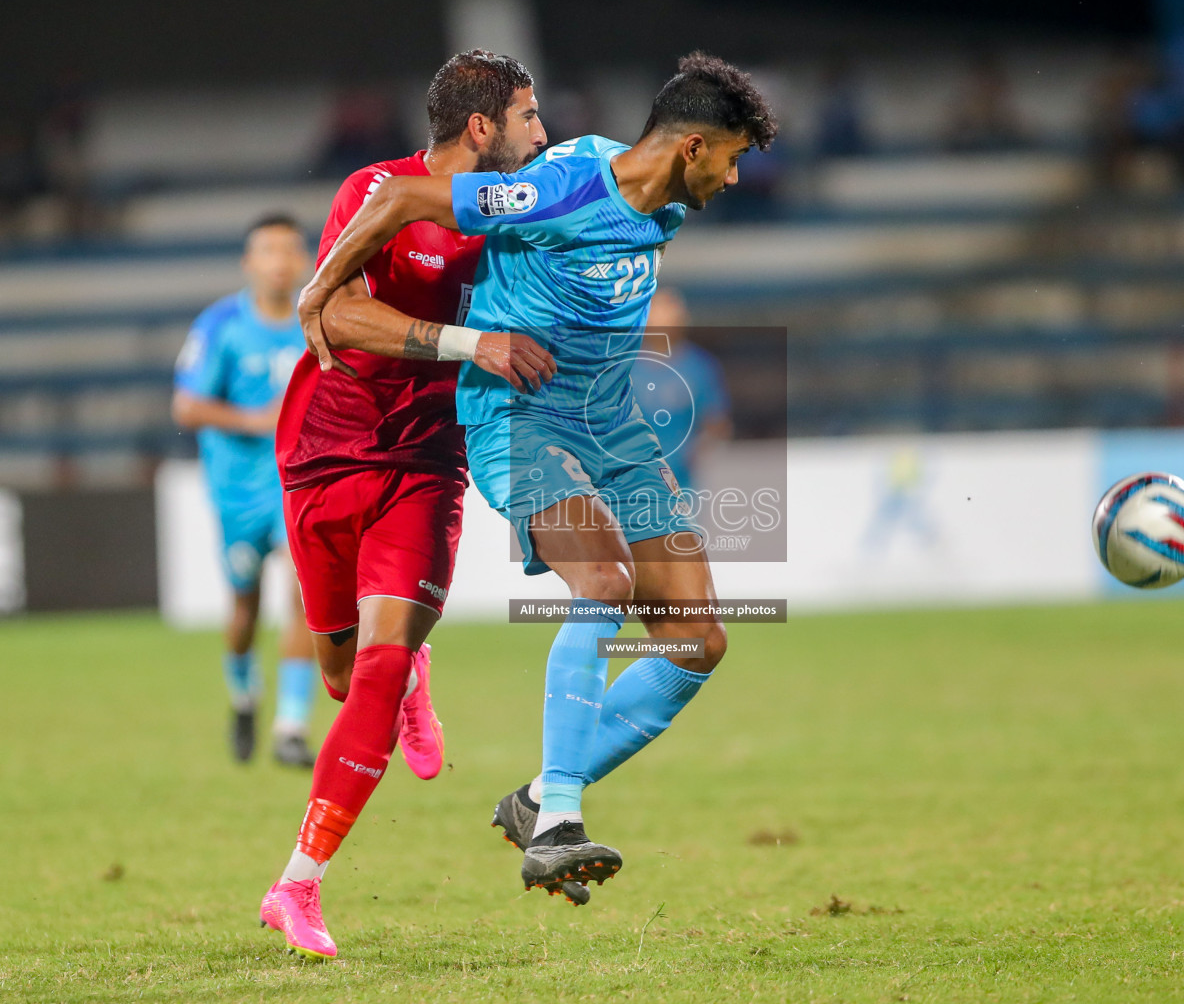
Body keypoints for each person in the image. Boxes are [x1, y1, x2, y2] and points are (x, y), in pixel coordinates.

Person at [298, 51, 777, 901]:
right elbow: (403, 197)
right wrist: (320, 292)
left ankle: (536, 801)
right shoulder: (560, 185)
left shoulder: (662, 208)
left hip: (613, 424)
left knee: (699, 639)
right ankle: (559, 819)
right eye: (735, 157)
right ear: (695, 146)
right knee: (602, 582)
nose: (737, 178)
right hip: (521, 417)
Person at [257, 50, 556, 961]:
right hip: (324, 449)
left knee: (376, 669)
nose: (541, 135)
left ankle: (297, 885)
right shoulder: (375, 190)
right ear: (480, 128)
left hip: (428, 463)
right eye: (529, 118)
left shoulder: (519, 217)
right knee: (346, 678)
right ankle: (409, 672)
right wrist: (473, 341)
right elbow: (337, 316)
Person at [172, 214, 318, 767]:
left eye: (289, 249)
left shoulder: (318, 314)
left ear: (303, 259)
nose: (280, 261)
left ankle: (291, 728)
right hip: (238, 491)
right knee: (243, 611)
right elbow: (186, 405)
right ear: (248, 263)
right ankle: (243, 696)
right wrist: (259, 420)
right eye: (268, 251)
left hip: (298, 483)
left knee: (302, 594)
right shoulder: (221, 325)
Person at [630, 287, 732, 493]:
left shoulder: (700, 366)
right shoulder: (627, 365)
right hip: (631, 479)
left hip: (682, 482)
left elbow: (717, 421)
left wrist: (698, 449)